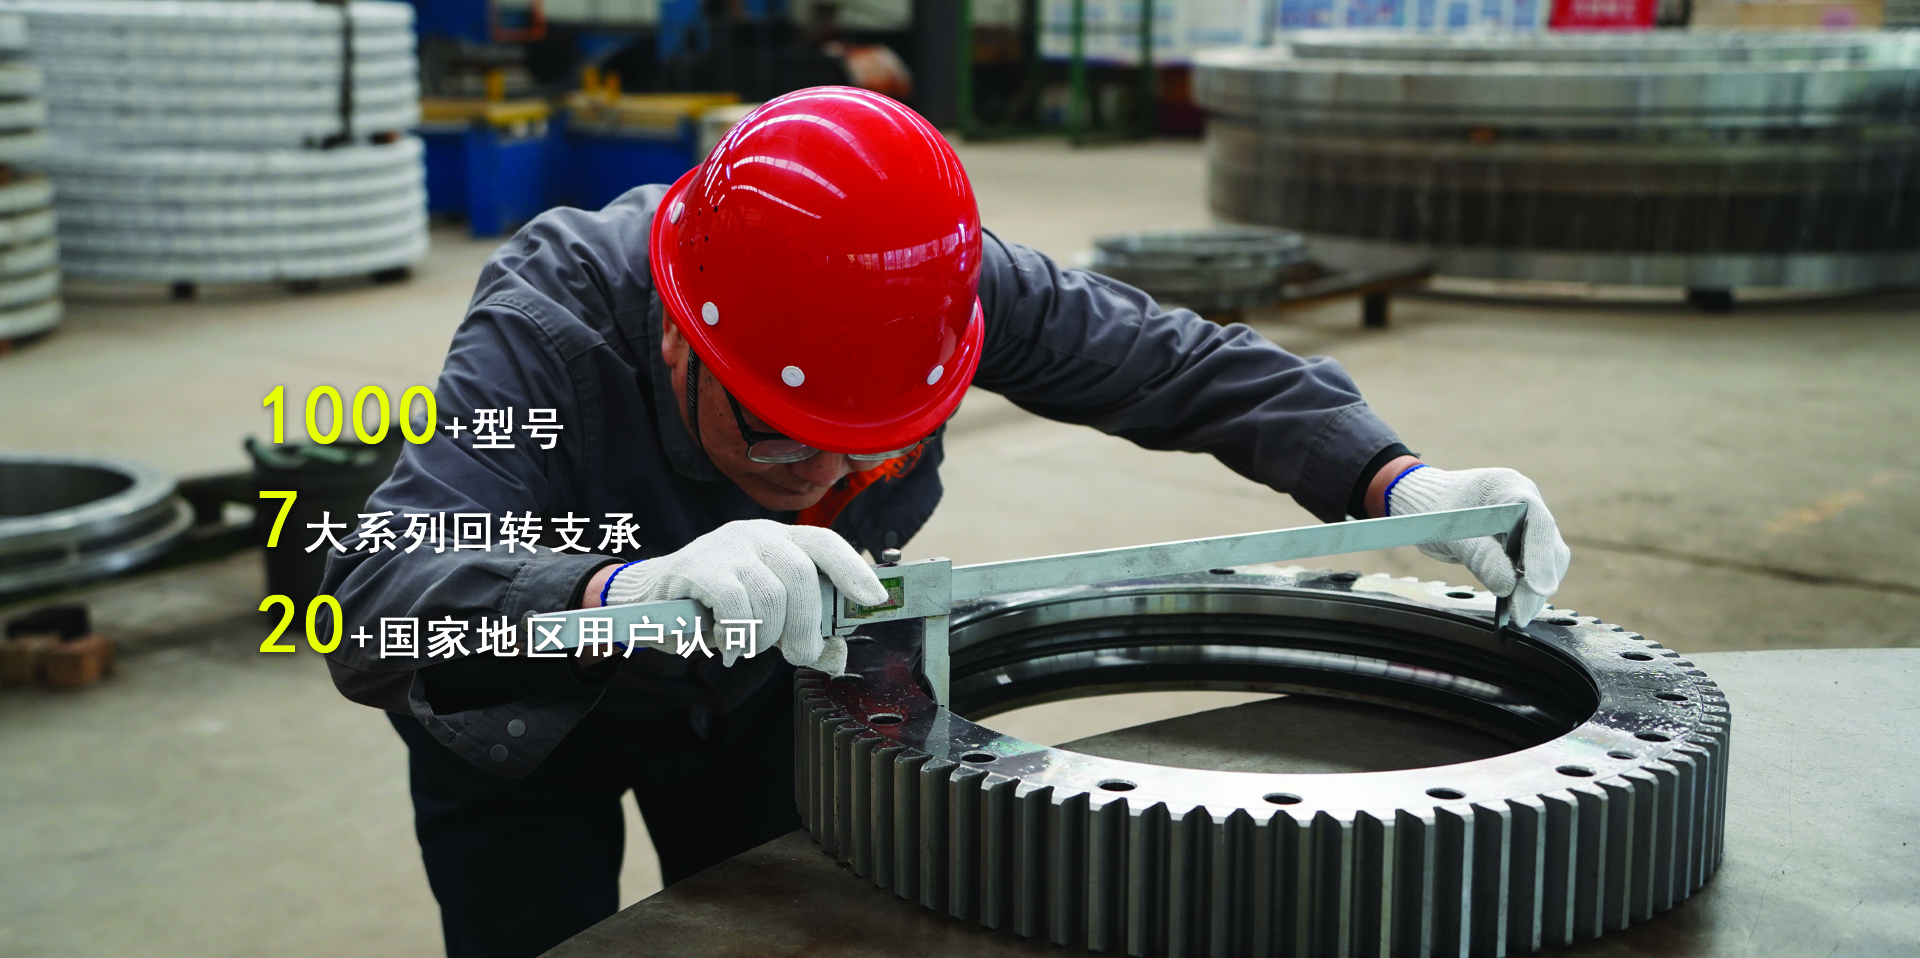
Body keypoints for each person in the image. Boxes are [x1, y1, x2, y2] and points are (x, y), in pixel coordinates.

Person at [319, 87, 1570, 958]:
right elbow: (377, 595)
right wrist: (618, 592)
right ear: (679, 341)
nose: (823, 481)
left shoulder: (928, 280)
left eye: (875, 446)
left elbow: (1180, 363)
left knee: (778, 927)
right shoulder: (551, 323)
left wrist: (1391, 478)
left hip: (766, 672)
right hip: (532, 726)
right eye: (782, 437)